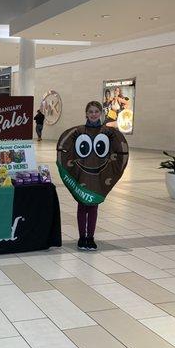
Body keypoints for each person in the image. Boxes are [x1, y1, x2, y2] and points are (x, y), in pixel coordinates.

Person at [76, 101, 103, 251]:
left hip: (97, 175)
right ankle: (82, 237)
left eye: (96, 111)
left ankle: (90, 237)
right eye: (91, 111)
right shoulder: (80, 131)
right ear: (86, 113)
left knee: (93, 206)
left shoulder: (105, 132)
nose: (93, 114)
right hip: (82, 174)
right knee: (82, 206)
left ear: (100, 113)